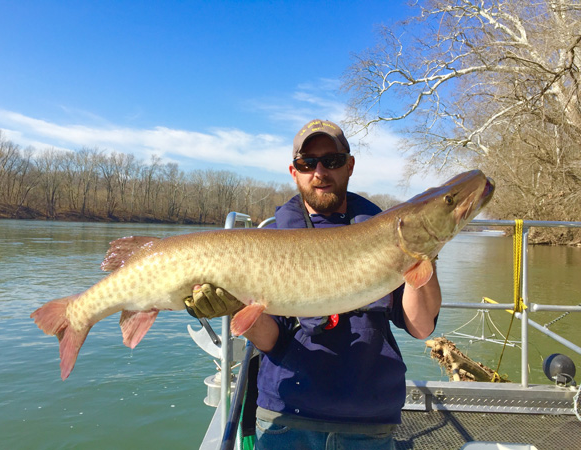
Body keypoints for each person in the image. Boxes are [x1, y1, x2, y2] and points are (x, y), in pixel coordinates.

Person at [185, 119, 442, 450]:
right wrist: (233, 306)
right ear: (295, 172)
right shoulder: (270, 239)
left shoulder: (387, 232)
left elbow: (421, 327)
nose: (320, 172)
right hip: (287, 419)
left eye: (331, 161)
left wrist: (425, 253)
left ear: (349, 166)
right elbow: (270, 340)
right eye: (307, 163)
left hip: (370, 424)